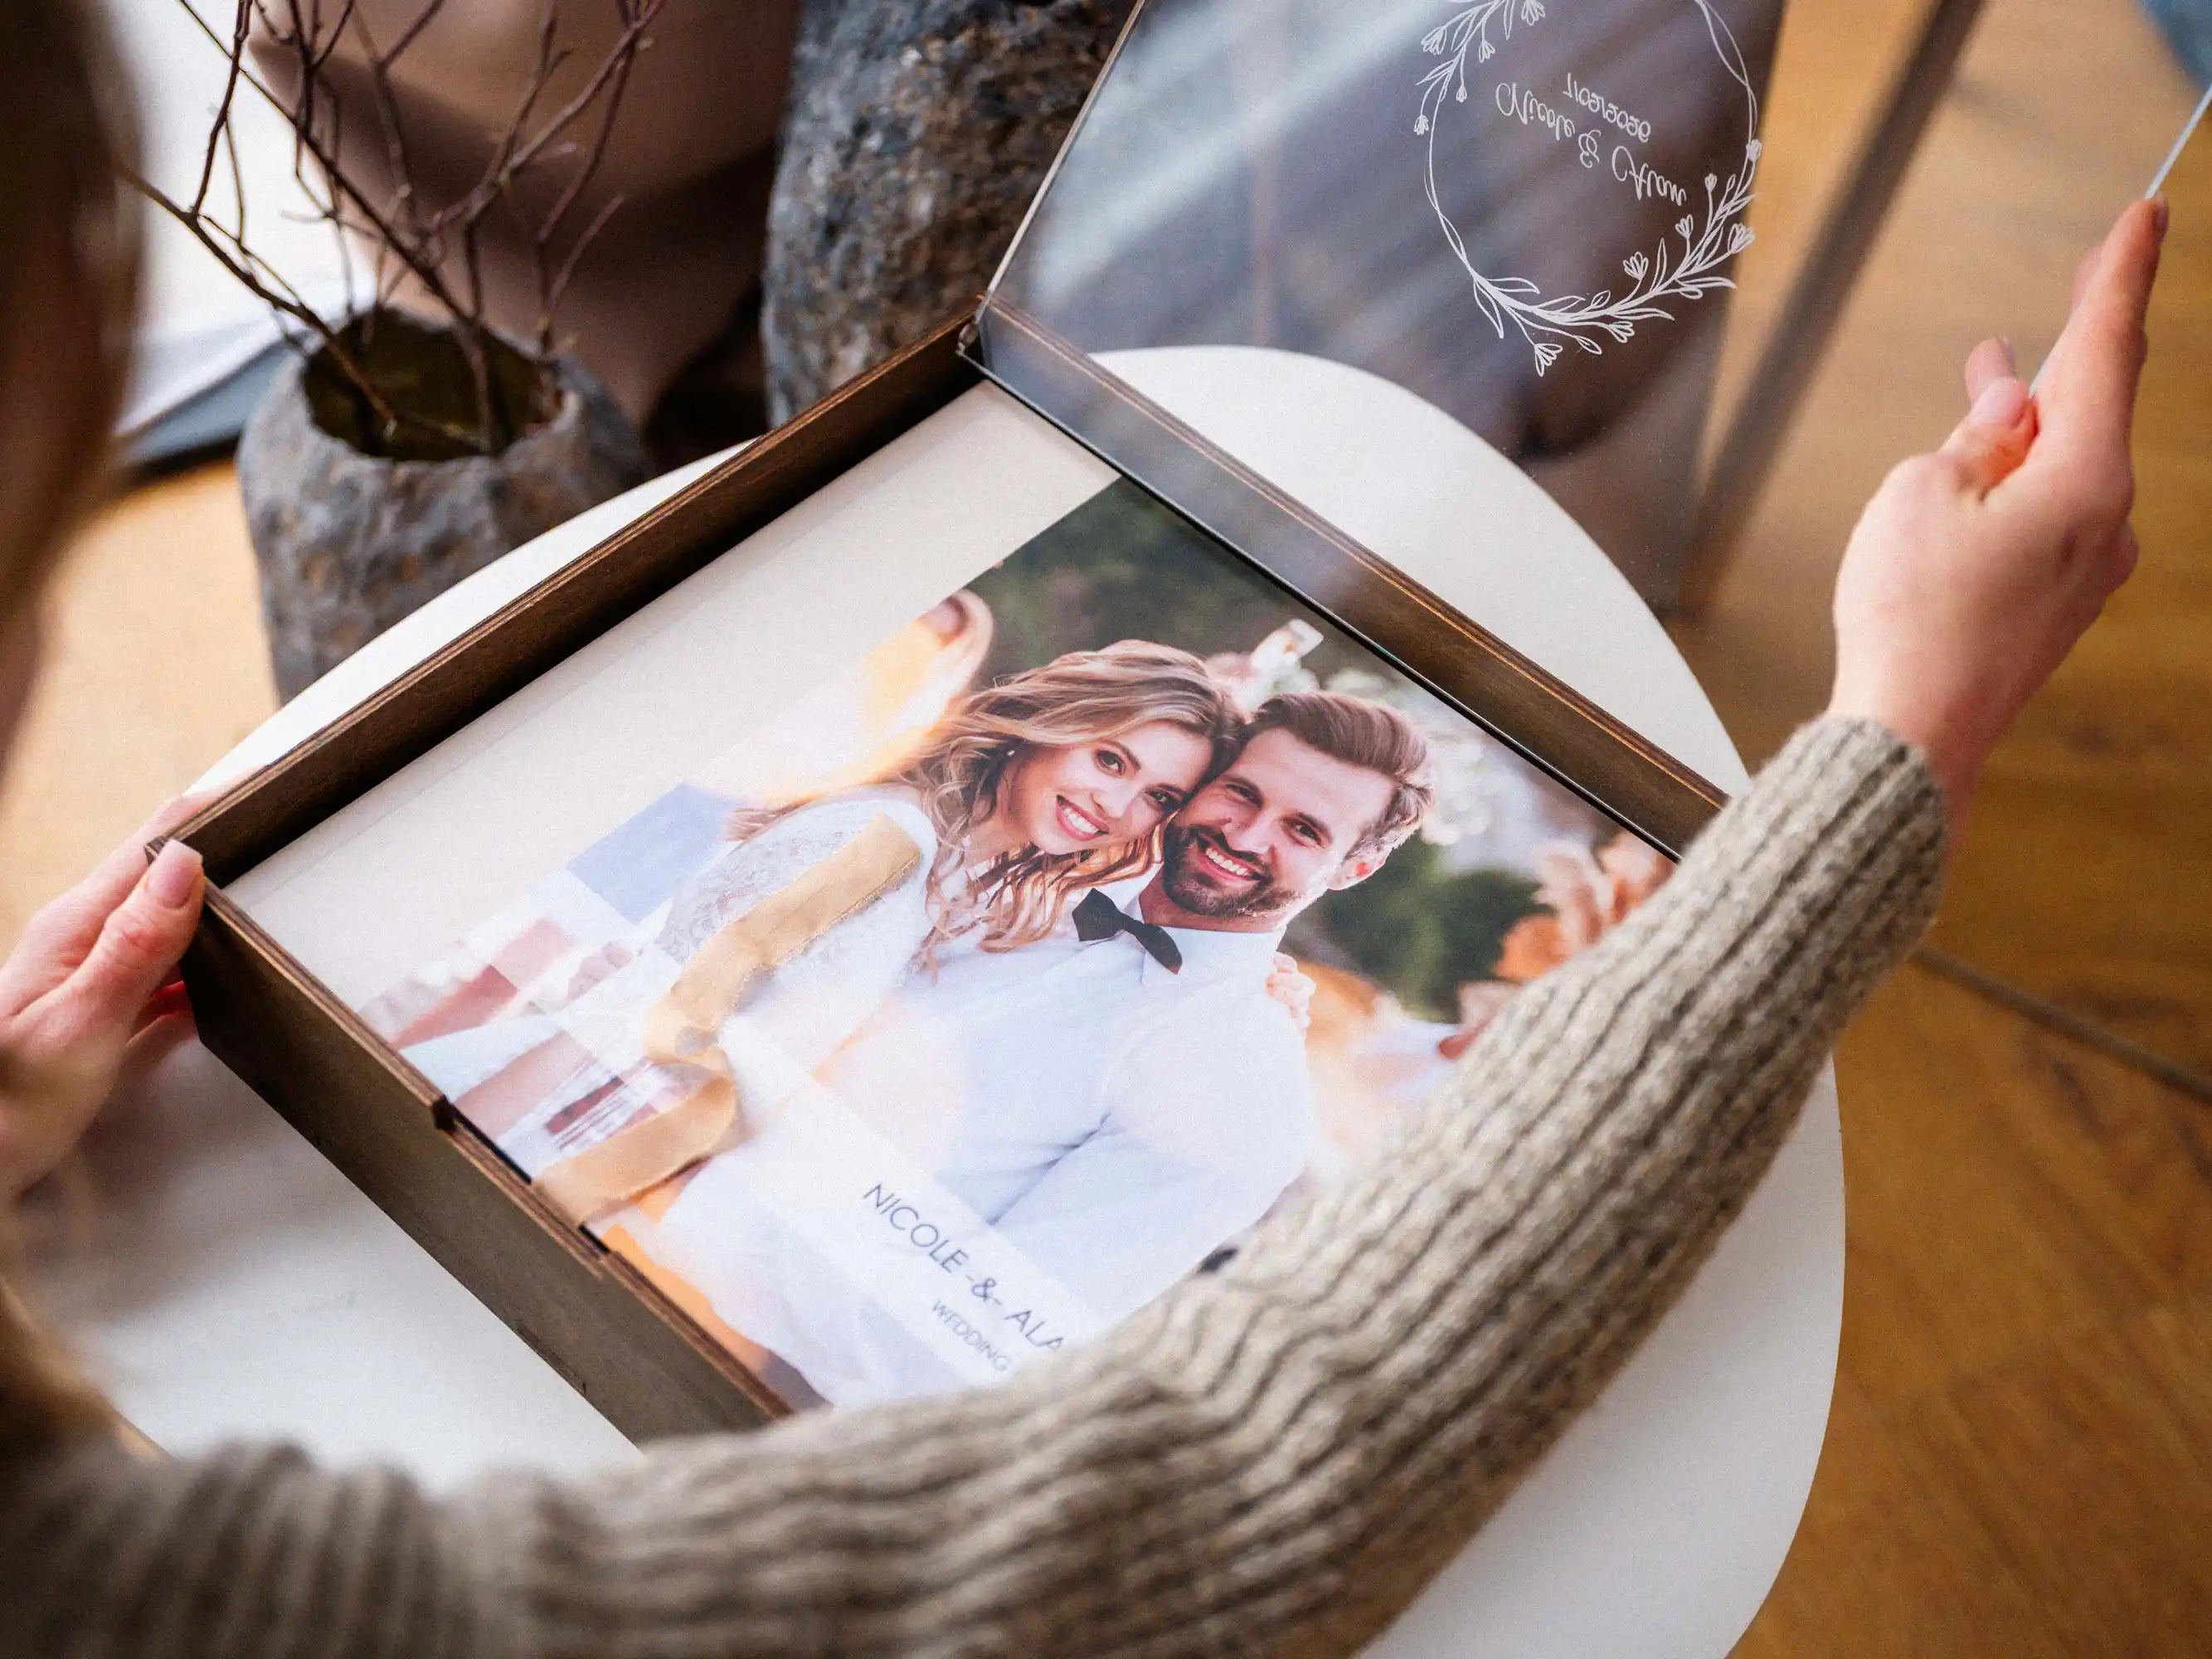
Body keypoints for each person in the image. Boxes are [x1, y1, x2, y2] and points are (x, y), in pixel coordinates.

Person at [0, 0, 2166, 1651]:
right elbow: (1217, 1501)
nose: (1179, 826)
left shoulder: (1209, 1055)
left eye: (1219, 806)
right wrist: (1899, 732)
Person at [637, 690, 1431, 1402]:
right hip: (620, 1190)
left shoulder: (1241, 1091)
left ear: (1353, 867)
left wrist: (705, 1203)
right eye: (1241, 794)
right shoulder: (1039, 874)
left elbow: (981, 1344)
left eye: (1302, 830)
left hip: (738, 1372)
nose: (1246, 835)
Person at [401, 638, 1243, 1219]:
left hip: (633, 1159)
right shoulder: (885, 840)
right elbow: (640, 1024)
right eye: (1111, 758)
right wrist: (479, 1163)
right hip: (547, 1134)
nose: (1117, 807)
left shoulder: (968, 878)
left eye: (1159, 799)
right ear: (1054, 722)